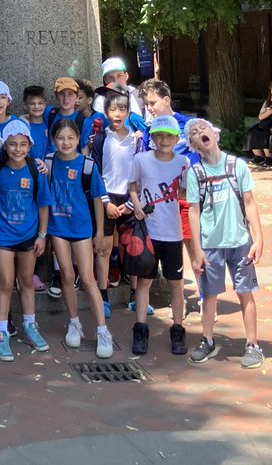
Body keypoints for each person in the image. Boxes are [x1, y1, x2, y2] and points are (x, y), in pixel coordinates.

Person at [185, 119, 266, 369]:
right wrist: (197, 249)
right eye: (195, 134)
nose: (201, 134)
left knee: (245, 291)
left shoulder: (236, 165)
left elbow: (249, 203)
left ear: (215, 134)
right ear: (193, 144)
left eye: (204, 130)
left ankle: (252, 344)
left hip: (239, 240)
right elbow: (193, 212)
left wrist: (258, 238)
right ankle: (207, 340)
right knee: (209, 294)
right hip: (210, 244)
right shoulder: (195, 173)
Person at [46, 117, 112, 357]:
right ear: (53, 140)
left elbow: (97, 199)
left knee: (87, 277)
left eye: (70, 138)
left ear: (78, 139)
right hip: (57, 226)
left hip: (82, 228)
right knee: (66, 273)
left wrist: (100, 232)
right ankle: (74, 322)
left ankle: (103, 330)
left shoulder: (87, 165)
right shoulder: (48, 163)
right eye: (61, 138)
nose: (65, 142)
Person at [0, 119, 52, 360]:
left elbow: (43, 204)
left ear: (29, 145)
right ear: (5, 146)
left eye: (23, 144)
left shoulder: (36, 170)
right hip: (2, 234)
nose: (17, 149)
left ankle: (30, 326)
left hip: (28, 234)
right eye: (12, 144)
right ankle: (1, 332)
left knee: (25, 280)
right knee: (5, 281)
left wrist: (42, 235)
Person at [128, 115, 190, 356]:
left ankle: (178, 329)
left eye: (169, 136)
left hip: (173, 232)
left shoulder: (183, 162)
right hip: (148, 230)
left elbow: (185, 193)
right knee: (144, 282)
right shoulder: (141, 159)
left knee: (176, 283)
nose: (164, 140)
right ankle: (140, 329)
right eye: (159, 135)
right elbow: (132, 186)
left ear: (176, 138)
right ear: (152, 137)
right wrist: (137, 205)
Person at [86, 90, 146, 318]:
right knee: (103, 248)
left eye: (122, 109)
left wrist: (132, 204)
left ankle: (134, 294)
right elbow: (96, 171)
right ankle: (103, 296)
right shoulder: (101, 139)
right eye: (112, 109)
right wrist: (106, 202)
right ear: (106, 112)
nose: (117, 114)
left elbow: (142, 173)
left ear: (129, 113)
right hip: (107, 198)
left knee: (133, 248)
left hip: (130, 199)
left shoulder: (138, 139)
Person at [90, 57, 146, 131]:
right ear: (105, 80)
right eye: (111, 77)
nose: (115, 80)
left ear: (126, 76)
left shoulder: (139, 95)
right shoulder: (100, 101)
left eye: (119, 75)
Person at [242, 80, 272, 166]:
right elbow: (260, 116)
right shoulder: (267, 101)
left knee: (265, 133)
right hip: (265, 122)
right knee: (252, 132)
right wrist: (268, 112)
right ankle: (259, 156)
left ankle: (270, 157)